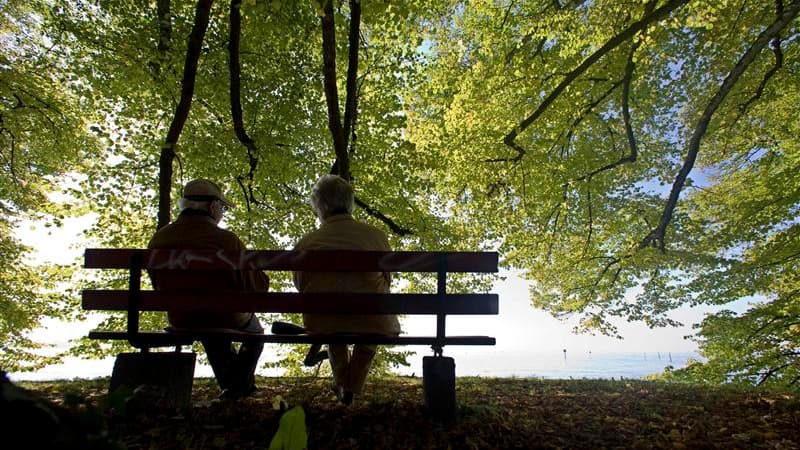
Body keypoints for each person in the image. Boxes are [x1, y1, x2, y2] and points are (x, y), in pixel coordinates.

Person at [147, 178, 268, 400]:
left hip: (180, 317)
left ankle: (235, 389)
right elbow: (256, 288)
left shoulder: (159, 239)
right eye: (222, 207)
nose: (222, 212)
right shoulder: (226, 240)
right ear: (212, 207)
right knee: (255, 333)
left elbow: (156, 282)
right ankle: (238, 389)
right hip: (225, 317)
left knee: (209, 329)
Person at [292, 174, 401, 405]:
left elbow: (301, 286)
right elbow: (387, 280)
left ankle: (344, 385)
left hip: (323, 322)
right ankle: (351, 385)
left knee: (333, 327)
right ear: (350, 203)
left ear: (321, 206)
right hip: (374, 321)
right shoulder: (376, 236)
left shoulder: (307, 242)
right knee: (375, 324)